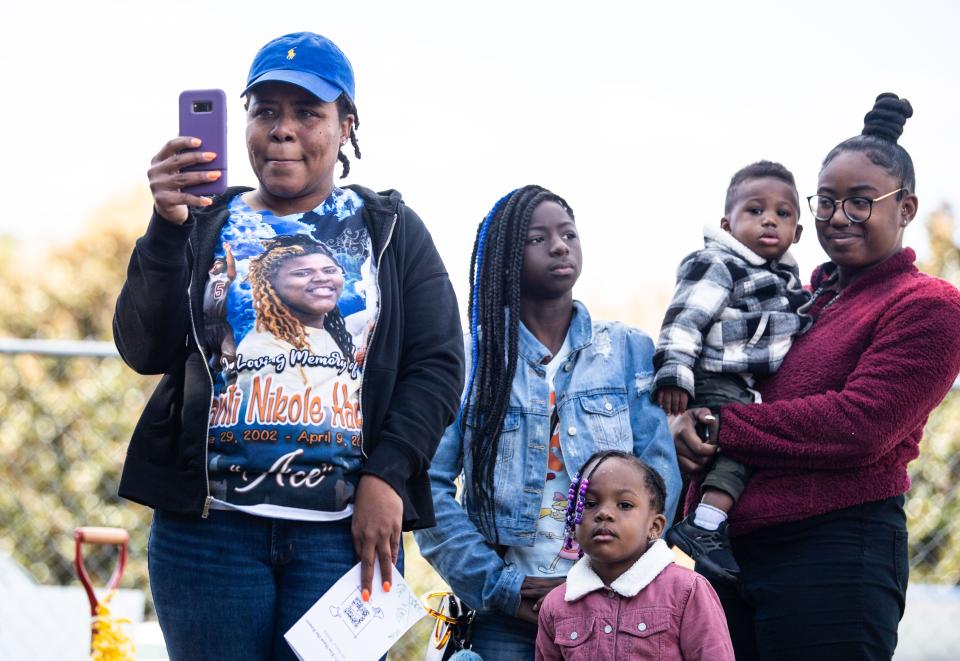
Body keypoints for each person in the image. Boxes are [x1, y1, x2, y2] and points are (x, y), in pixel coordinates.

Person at [113, 32, 464, 660]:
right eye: (266, 110)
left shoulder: (390, 228)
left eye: (308, 112)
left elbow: (437, 363)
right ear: (244, 121)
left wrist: (387, 475)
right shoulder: (202, 221)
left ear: (347, 125)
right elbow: (143, 349)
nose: (283, 129)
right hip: (208, 535)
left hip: (345, 535)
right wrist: (165, 232)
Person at [671, 93, 960, 660]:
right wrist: (683, 425)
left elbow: (859, 424)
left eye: (859, 203)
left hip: (835, 551)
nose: (836, 218)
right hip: (735, 554)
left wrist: (718, 425)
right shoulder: (796, 304)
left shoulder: (928, 305)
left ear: (905, 209)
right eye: (825, 203)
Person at [414, 185, 681, 660]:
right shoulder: (470, 361)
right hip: (514, 615)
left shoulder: (624, 350)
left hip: (617, 606)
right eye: (538, 238)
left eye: (569, 234)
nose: (560, 246)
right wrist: (500, 587)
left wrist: (624, 573)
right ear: (504, 259)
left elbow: (660, 475)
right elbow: (427, 487)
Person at [651, 161, 810, 581]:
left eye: (783, 213)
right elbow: (684, 320)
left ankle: (704, 522)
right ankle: (704, 525)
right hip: (711, 375)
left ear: (797, 231)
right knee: (744, 438)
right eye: (755, 211)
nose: (770, 220)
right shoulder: (717, 263)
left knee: (741, 443)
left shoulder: (786, 283)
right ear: (728, 222)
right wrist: (674, 373)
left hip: (741, 383)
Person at [534, 450, 734, 660]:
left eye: (624, 505)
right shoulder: (556, 604)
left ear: (654, 527)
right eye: (591, 504)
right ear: (573, 522)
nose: (604, 513)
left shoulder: (687, 590)